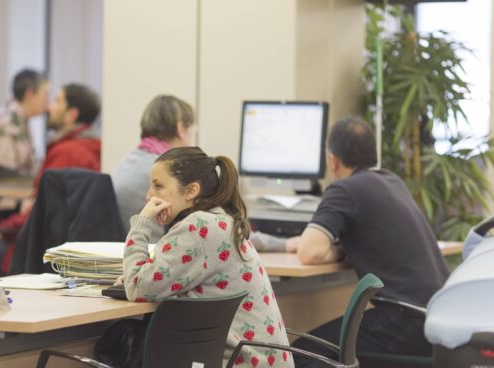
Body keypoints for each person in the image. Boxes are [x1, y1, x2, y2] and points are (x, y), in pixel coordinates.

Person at [289, 117, 450, 367]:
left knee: (298, 354)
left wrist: (334, 252)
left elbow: (309, 253)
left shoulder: (344, 189)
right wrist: (342, 250)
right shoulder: (393, 182)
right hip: (437, 319)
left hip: (403, 322)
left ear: (333, 160)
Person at [121, 147, 294, 367]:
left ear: (191, 190)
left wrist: (141, 224)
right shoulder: (219, 220)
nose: (149, 196)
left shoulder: (197, 227)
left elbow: (138, 287)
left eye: (159, 186)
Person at [0, 83, 102, 274]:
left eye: (58, 101)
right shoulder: (90, 147)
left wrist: (1, 229)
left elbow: (41, 212)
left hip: (43, 255)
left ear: (71, 114)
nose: (49, 107)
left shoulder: (67, 153)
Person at [111, 95, 195, 240]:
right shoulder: (169, 172)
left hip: (125, 250)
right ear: (181, 129)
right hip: (151, 252)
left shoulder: (127, 161)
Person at [0, 69, 49, 176]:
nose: (48, 102)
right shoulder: (6, 122)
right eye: (45, 95)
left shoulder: (18, 117)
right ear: (30, 94)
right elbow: (2, 173)